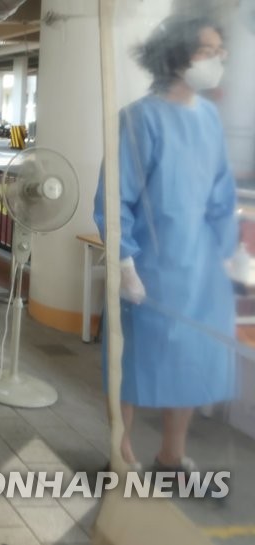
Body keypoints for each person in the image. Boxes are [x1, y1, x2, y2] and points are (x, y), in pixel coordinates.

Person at [94, 15, 238, 472]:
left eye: (220, 53)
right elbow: (114, 198)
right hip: (150, 268)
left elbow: (221, 194)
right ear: (177, 55)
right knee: (131, 362)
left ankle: (171, 453)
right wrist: (124, 263)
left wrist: (229, 253)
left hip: (199, 268)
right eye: (207, 52)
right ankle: (121, 452)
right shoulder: (139, 119)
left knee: (191, 360)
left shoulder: (209, 119)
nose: (217, 61)